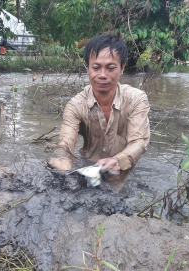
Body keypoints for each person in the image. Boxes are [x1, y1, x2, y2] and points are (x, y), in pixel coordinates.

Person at [48, 33, 150, 190]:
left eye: (110, 68)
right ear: (87, 68)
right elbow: (66, 143)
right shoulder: (76, 105)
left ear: (122, 68)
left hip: (122, 170)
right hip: (89, 167)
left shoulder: (136, 99)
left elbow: (139, 142)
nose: (102, 75)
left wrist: (118, 161)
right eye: (96, 67)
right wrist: (63, 161)